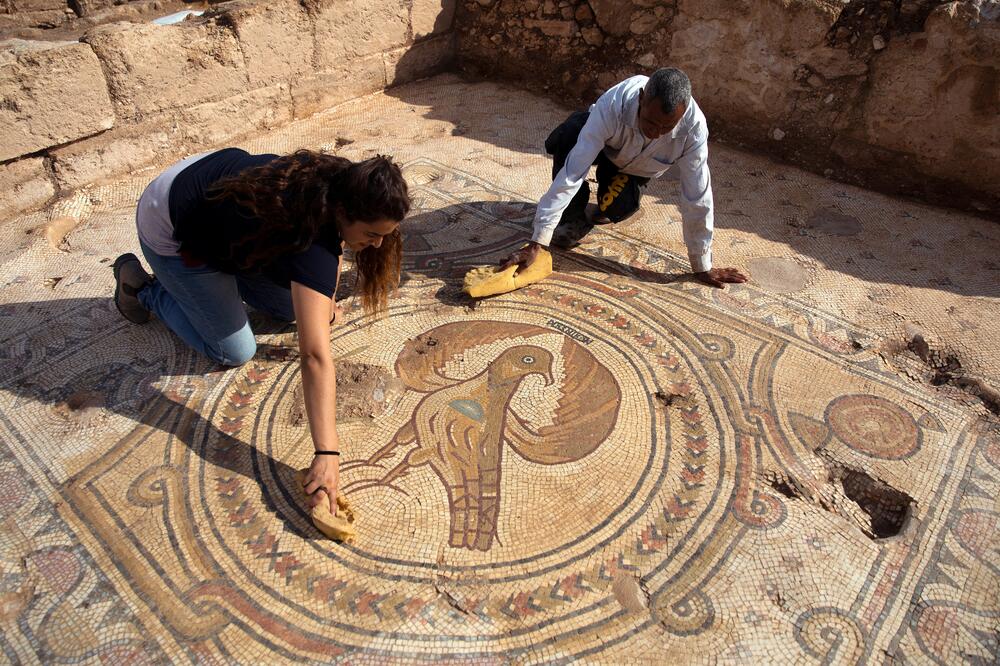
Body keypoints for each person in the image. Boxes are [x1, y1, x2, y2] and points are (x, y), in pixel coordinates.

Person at [112, 147, 410, 516]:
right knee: (234, 350)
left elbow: (320, 284)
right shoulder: (316, 242)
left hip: (222, 210)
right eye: (370, 233)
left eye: (385, 235)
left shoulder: (340, 184)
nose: (378, 243)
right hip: (172, 219)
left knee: (292, 310)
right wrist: (327, 454)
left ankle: (220, 285)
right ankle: (144, 289)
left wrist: (319, 301)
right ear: (343, 212)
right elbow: (315, 355)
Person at [501, 67, 748, 288]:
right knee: (569, 135)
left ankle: (604, 202)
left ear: (681, 117)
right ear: (641, 98)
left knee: (619, 207)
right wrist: (538, 241)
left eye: (666, 128)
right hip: (604, 149)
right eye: (650, 122)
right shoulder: (614, 104)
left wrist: (702, 264)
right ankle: (573, 214)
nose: (655, 133)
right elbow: (573, 171)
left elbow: (697, 195)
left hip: (634, 170)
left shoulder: (694, 129)